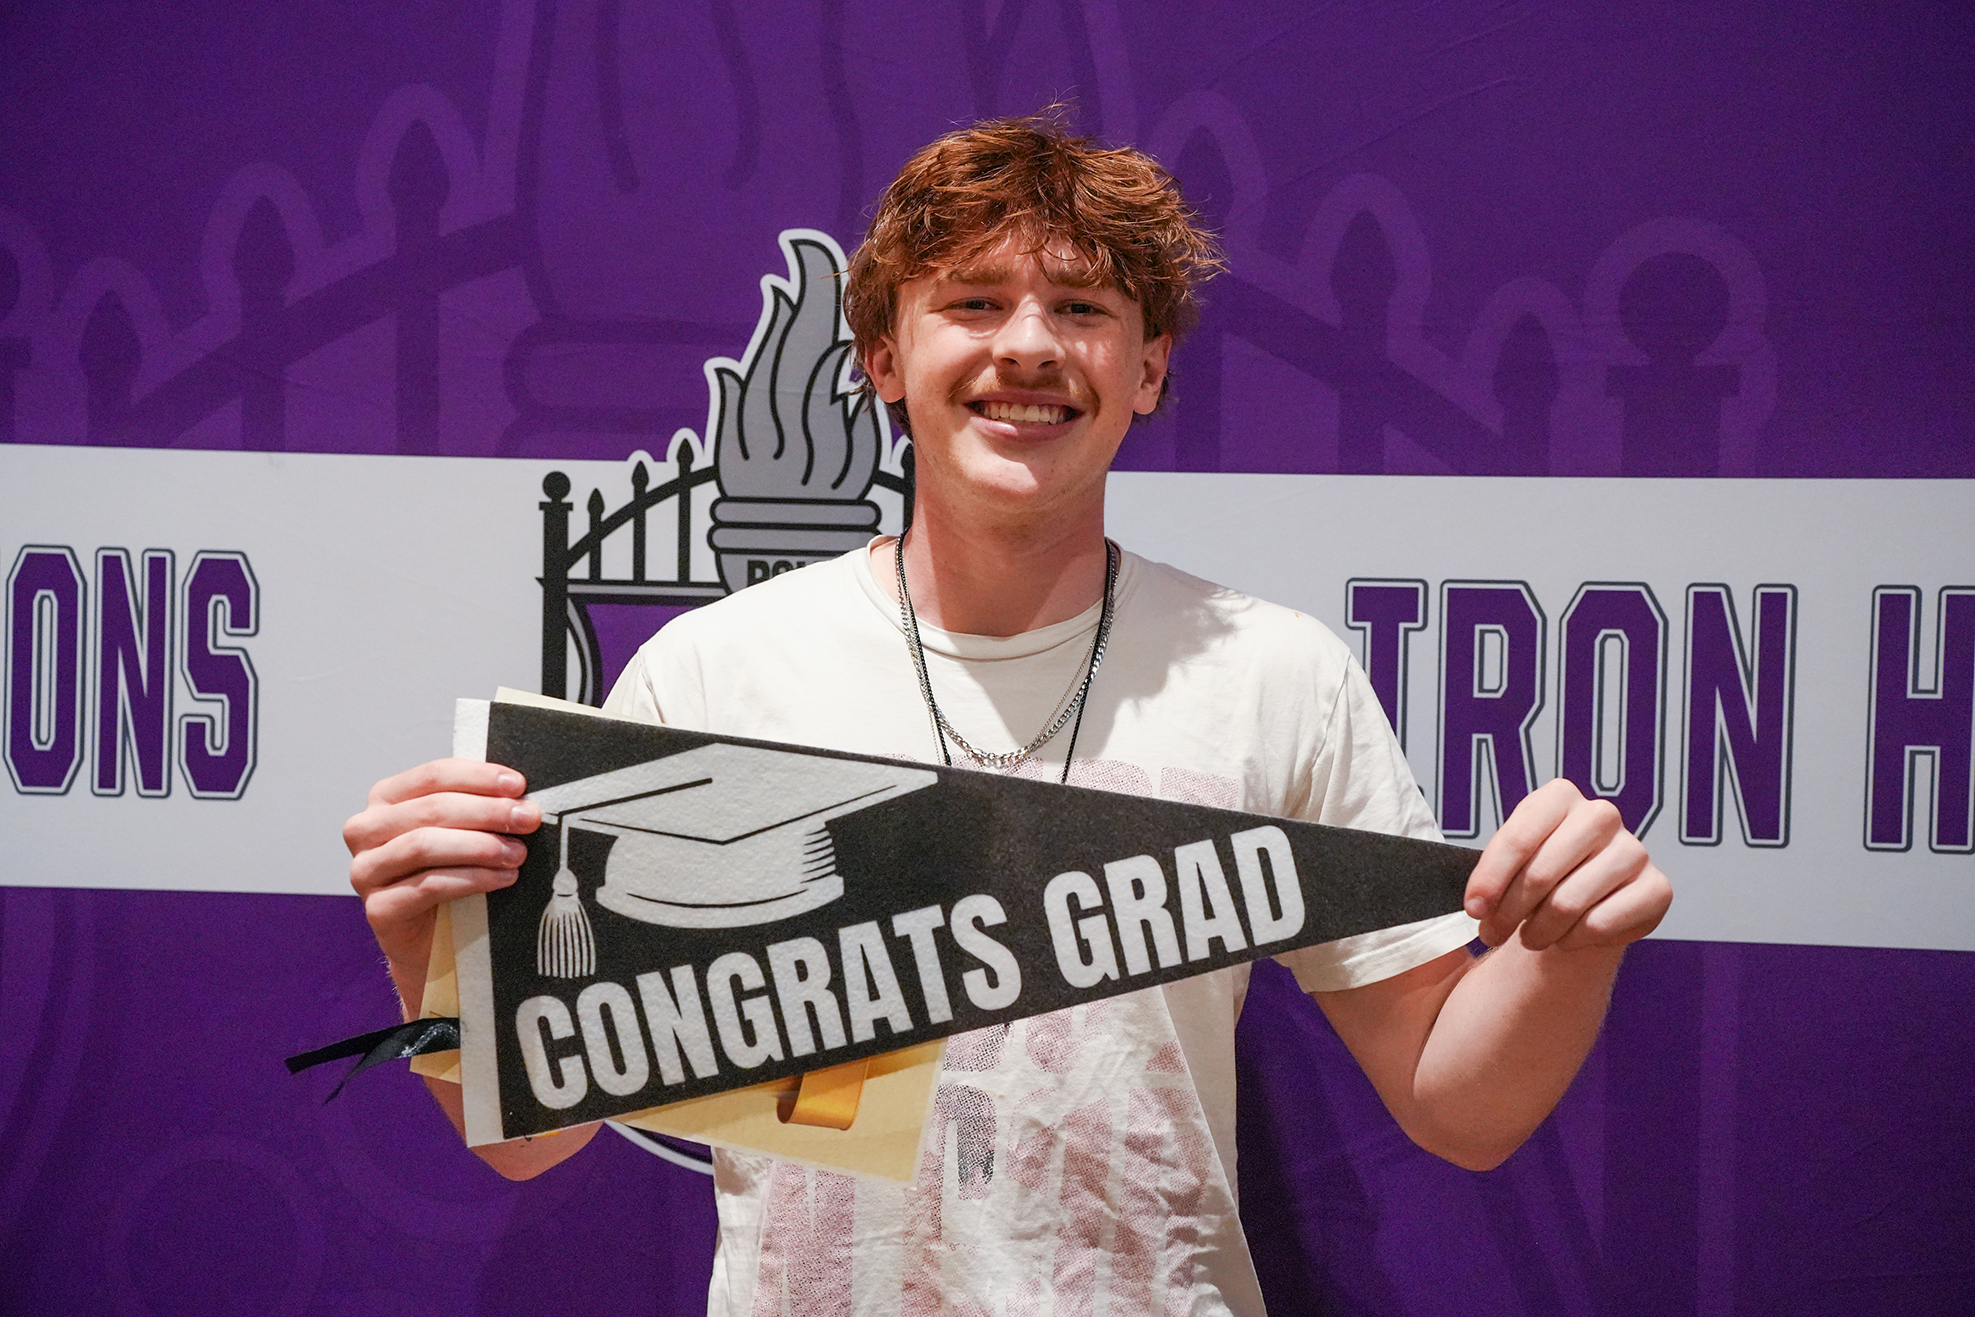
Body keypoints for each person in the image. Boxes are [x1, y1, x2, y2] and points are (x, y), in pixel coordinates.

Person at [344, 113, 1670, 1314]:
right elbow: (534, 1133)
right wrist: (432, 948)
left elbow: (1459, 1102)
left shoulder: (1273, 671)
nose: (1028, 344)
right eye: (973, 302)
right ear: (883, 358)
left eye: (1082, 308)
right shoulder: (713, 672)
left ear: (1148, 367)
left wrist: (1573, 943)